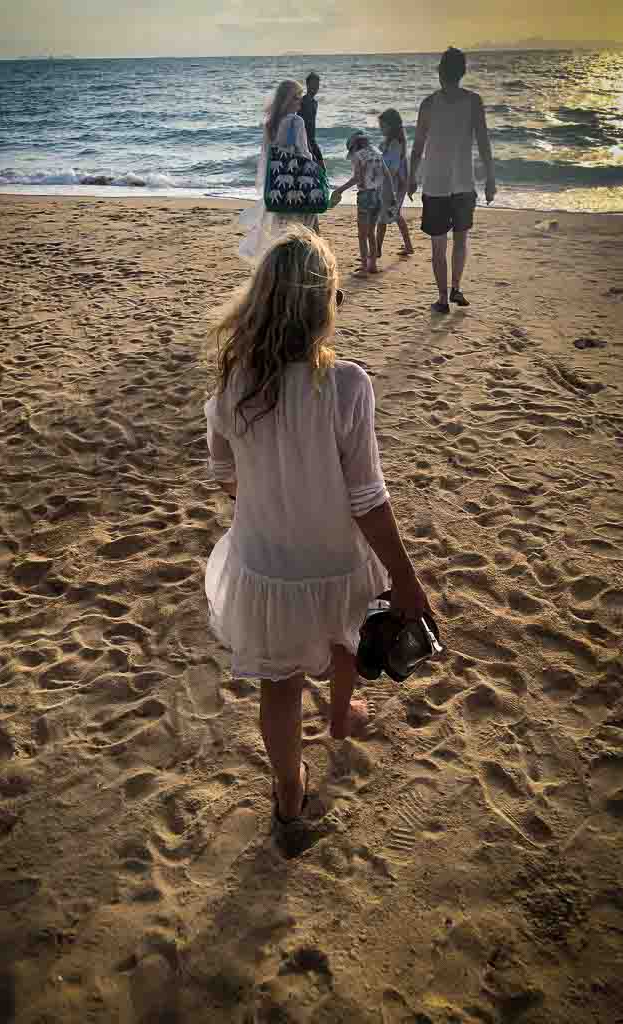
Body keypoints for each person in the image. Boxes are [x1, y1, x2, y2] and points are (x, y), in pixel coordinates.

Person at [204, 228, 430, 843]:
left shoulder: (232, 386)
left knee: (279, 685)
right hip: (336, 554)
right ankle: (340, 715)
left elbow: (224, 474)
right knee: (345, 632)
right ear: (323, 306)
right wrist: (406, 577)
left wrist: (269, 498)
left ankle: (289, 790)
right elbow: (367, 497)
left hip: (267, 561)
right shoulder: (347, 384)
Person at [408, 47, 496, 313]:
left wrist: (411, 177)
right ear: (463, 72)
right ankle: (456, 288)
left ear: (439, 72)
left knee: (438, 246)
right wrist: (490, 178)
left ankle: (443, 299)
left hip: (435, 184)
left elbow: (418, 146)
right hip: (464, 183)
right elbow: (484, 143)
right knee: (460, 240)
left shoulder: (428, 104)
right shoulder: (474, 101)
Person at [239, 79, 319, 263]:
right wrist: (315, 169)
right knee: (307, 229)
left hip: (278, 184)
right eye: (297, 98)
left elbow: (268, 155)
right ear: (288, 100)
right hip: (297, 185)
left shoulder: (271, 123)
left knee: (283, 231)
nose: (300, 102)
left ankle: (281, 265)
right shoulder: (296, 121)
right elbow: (304, 153)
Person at [331, 131, 392, 274]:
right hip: (378, 195)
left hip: (365, 196)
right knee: (371, 232)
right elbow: (387, 174)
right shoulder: (377, 154)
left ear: (354, 146)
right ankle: (373, 265)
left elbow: (357, 178)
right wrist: (392, 195)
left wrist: (339, 190)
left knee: (362, 235)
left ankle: (364, 267)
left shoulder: (358, 156)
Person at [376, 108, 414, 258]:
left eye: (383, 126)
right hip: (394, 184)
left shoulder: (396, 144)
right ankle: (408, 246)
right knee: (395, 214)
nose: (381, 129)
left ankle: (377, 250)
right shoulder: (390, 142)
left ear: (391, 126)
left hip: (394, 185)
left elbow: (393, 168)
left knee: (383, 217)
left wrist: (383, 182)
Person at [299, 71, 324, 166]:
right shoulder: (302, 101)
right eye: (313, 84)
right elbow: (299, 123)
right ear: (307, 85)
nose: (316, 87)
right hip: (304, 141)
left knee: (321, 166)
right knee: (316, 166)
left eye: (317, 84)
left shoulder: (314, 103)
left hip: (312, 140)